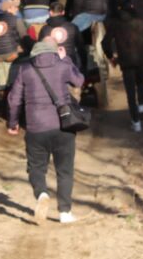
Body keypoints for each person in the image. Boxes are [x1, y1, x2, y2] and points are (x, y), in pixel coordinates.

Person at [6, 35, 85, 225]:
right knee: (64, 170)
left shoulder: (25, 69)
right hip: (63, 127)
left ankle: (41, 194)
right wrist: (65, 58)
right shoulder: (62, 65)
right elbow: (79, 81)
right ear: (55, 50)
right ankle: (65, 213)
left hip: (35, 128)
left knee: (36, 168)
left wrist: (13, 122)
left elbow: (14, 99)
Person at [102, 4, 143, 132]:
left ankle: (136, 122)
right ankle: (142, 107)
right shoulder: (141, 23)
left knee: (130, 92)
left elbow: (105, 43)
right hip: (141, 59)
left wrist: (111, 57)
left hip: (126, 62)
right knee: (140, 83)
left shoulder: (115, 25)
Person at [0, 0, 27, 99]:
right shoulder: (15, 20)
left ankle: (1, 92)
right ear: (9, 8)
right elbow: (24, 36)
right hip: (11, 55)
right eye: (15, 7)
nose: (17, 9)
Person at [38, 1, 84, 72]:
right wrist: (83, 68)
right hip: (70, 63)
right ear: (63, 12)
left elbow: (40, 49)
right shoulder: (73, 27)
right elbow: (81, 47)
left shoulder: (44, 29)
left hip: (50, 65)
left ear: (50, 12)